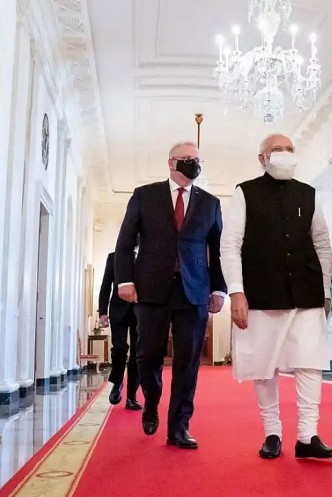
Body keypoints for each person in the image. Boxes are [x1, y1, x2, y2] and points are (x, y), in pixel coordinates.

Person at [221, 133, 332, 460]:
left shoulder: (309, 194)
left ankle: (308, 435)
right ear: (262, 158)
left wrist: (326, 288)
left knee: (310, 361)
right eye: (277, 150)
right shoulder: (245, 193)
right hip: (261, 293)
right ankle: (272, 433)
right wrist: (237, 292)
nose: (284, 154)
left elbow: (323, 244)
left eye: (289, 149)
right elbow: (230, 245)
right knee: (264, 364)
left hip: (306, 291)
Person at [115, 141, 226, 449]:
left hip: (194, 292)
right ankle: (151, 402)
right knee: (148, 354)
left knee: (188, 362)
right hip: (150, 290)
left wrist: (219, 289)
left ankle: (179, 426)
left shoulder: (210, 203)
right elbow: (125, 243)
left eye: (198, 160)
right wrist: (124, 281)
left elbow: (218, 252)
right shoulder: (144, 195)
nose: (194, 164)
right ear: (171, 163)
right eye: (188, 159)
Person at [98, 250, 141, 410]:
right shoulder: (114, 257)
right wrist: (102, 312)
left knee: (137, 354)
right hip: (118, 310)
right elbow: (106, 285)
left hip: (140, 311)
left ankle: (132, 397)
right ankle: (117, 383)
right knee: (120, 349)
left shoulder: (148, 254)